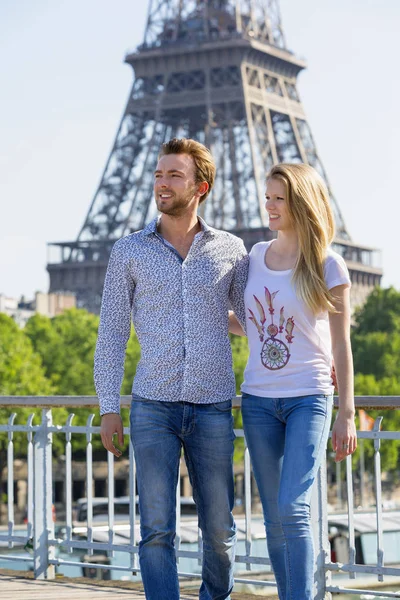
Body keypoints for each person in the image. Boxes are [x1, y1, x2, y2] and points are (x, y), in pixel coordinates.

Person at [94, 138, 249, 600]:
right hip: (152, 406)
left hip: (212, 403)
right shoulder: (128, 251)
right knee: (156, 528)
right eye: (159, 174)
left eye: (174, 175)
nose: (162, 182)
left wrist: (311, 349)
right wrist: (108, 407)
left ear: (200, 186)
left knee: (219, 530)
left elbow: (252, 319)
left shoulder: (231, 249)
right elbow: (112, 334)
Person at [229, 163, 357, 600]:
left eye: (278, 199)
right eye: (267, 197)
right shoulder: (253, 256)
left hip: (309, 397)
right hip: (258, 399)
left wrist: (347, 412)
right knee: (273, 518)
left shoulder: (327, 263)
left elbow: (342, 346)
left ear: (300, 202)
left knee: (293, 508)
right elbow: (254, 325)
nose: (269, 206)